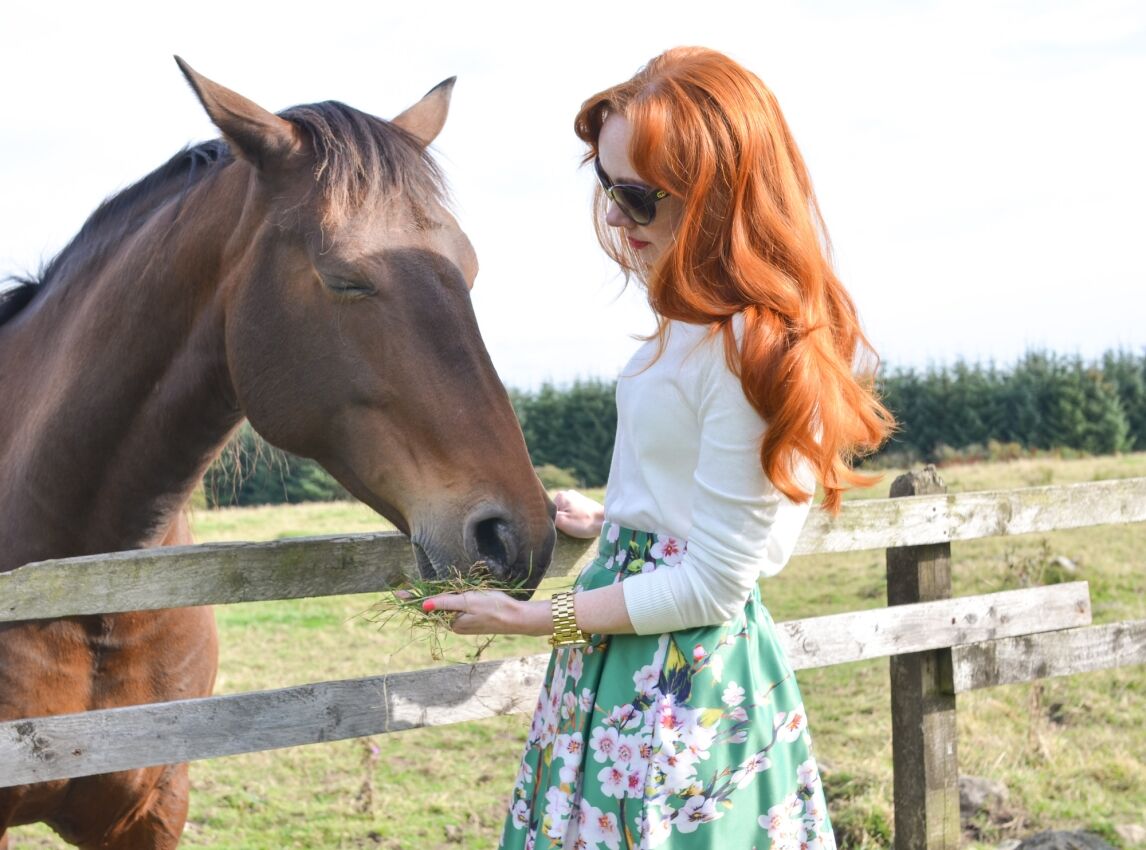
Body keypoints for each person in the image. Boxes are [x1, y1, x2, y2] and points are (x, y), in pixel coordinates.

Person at [423, 46, 893, 849]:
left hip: (676, 686)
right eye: (605, 188)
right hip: (633, 664)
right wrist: (621, 521)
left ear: (720, 198)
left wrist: (533, 617)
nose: (614, 218)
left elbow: (714, 583)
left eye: (637, 198)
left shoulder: (750, 343)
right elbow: (709, 501)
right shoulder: (693, 320)